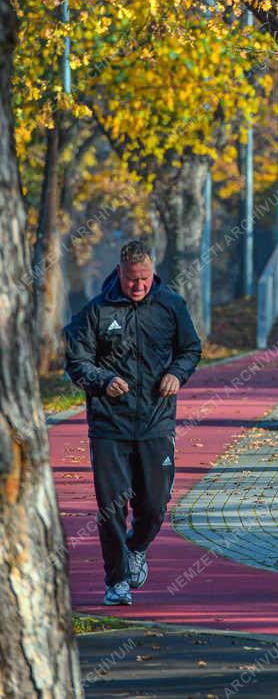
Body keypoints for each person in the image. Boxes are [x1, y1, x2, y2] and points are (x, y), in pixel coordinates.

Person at [64, 239, 202, 606]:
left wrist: (177, 373)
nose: (138, 286)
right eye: (131, 279)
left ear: (152, 272)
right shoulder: (97, 310)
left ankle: (136, 546)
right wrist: (103, 380)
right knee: (112, 507)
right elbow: (77, 360)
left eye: (144, 278)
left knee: (155, 505)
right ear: (120, 272)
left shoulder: (170, 306)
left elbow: (191, 350)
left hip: (157, 422)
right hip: (110, 426)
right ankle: (117, 581)